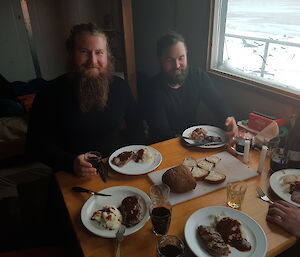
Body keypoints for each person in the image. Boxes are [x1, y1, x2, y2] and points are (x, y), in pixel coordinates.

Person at [26, 23, 143, 177]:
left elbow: (137, 130)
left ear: (107, 55)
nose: (92, 61)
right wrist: (69, 162)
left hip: (118, 168)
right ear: (71, 54)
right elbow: (35, 145)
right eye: (84, 52)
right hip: (71, 173)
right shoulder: (49, 93)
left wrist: (138, 163)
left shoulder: (120, 87)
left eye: (99, 52)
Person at [143, 32, 238, 143]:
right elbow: (162, 131)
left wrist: (229, 117)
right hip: (163, 144)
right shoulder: (152, 88)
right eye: (169, 60)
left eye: (181, 58)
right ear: (160, 60)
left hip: (191, 140)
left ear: (187, 55)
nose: (177, 65)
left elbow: (217, 101)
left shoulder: (198, 76)